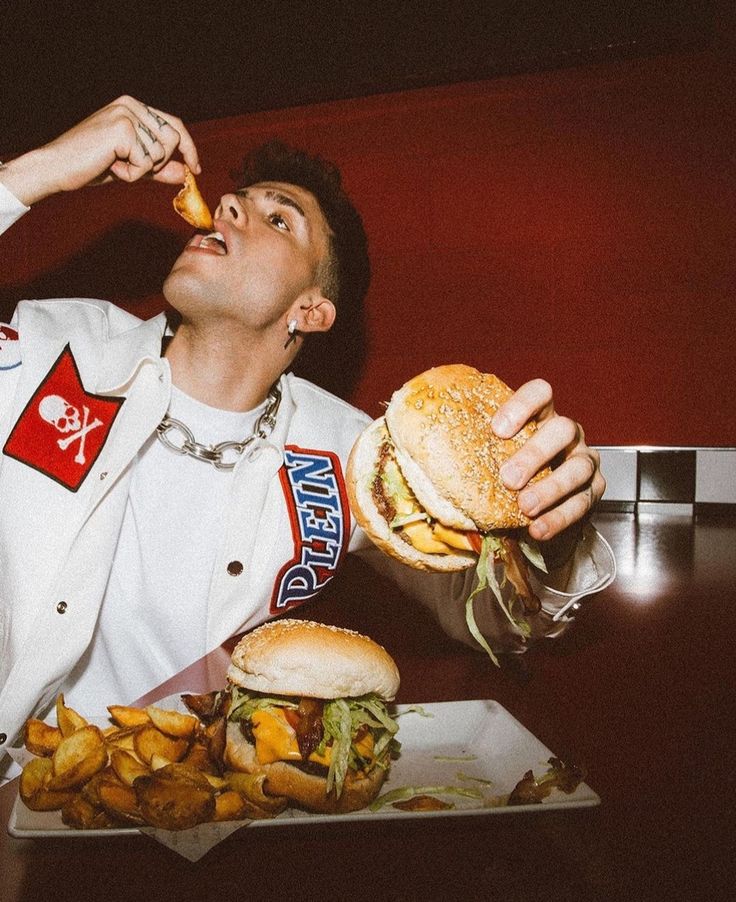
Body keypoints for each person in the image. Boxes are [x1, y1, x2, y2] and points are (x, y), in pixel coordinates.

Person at [0, 96, 614, 778]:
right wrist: (35, 171)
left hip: (203, 810)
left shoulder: (354, 455)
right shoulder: (52, 349)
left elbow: (498, 620)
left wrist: (550, 536)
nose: (229, 207)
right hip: (17, 792)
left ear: (311, 311)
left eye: (278, 218)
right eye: (235, 199)